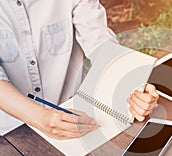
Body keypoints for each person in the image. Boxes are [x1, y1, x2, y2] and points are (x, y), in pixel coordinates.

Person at [0, 0, 159, 139]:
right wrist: (40, 117)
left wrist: (133, 85)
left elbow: (100, 42)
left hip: (78, 115)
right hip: (12, 131)